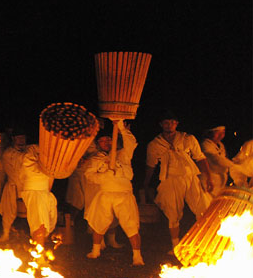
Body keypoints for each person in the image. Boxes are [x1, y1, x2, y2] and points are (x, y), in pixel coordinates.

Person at [143, 112, 213, 254]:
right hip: (170, 179)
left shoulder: (187, 138)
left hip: (190, 177)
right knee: (172, 212)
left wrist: (209, 177)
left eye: (172, 122)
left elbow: (200, 158)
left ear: (177, 124)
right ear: (161, 124)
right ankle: (176, 246)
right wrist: (146, 184)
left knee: (202, 207)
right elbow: (151, 165)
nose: (170, 125)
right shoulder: (155, 144)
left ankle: (203, 242)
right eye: (166, 122)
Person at [84, 120, 144, 266]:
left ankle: (137, 257)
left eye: (109, 139)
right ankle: (95, 250)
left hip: (124, 194)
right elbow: (89, 176)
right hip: (106, 194)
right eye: (102, 141)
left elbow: (131, 142)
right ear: (98, 144)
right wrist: (106, 175)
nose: (106, 142)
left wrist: (121, 126)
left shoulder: (123, 154)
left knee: (131, 224)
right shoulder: (95, 159)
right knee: (99, 222)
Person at [18, 142, 57, 248]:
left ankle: (40, 250)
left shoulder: (49, 155)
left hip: (44, 192)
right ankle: (39, 256)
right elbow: (28, 172)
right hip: (34, 191)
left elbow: (51, 175)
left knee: (46, 222)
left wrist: (47, 191)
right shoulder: (28, 155)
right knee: (39, 223)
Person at [0, 128, 27, 243]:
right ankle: (6, 233)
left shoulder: (29, 151)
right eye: (19, 138)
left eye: (23, 137)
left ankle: (33, 235)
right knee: (8, 211)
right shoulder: (8, 153)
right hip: (13, 186)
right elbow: (12, 173)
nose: (21, 140)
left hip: (27, 186)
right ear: (14, 139)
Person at [200, 125, 236, 197]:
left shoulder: (221, 145)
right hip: (208, 182)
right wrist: (235, 166)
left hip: (220, 184)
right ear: (210, 133)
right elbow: (216, 159)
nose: (221, 135)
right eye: (217, 133)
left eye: (223, 132)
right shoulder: (205, 145)